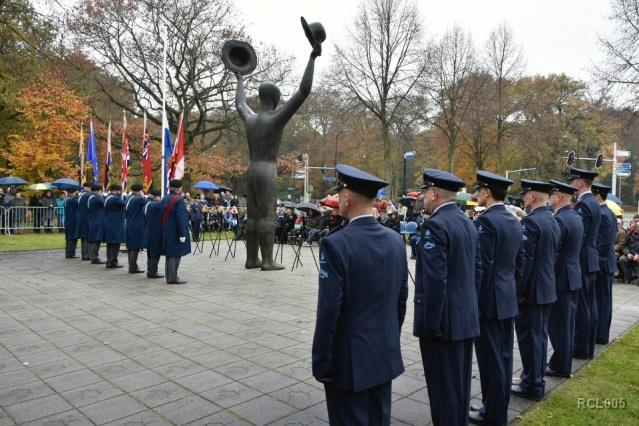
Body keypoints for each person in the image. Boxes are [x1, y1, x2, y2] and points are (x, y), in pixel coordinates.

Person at [312, 164, 408, 424]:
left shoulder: (336, 244)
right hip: (383, 352)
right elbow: (401, 300)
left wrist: (321, 360)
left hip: (349, 361)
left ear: (346, 197)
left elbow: (329, 310)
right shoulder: (395, 241)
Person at [234, 36, 320, 271]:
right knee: (266, 215)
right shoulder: (276, 119)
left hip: (251, 169)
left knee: (251, 215)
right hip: (266, 169)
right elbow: (303, 91)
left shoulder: (250, 119)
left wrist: (240, 78)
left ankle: (252, 259)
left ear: (260, 98)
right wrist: (312, 58)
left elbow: (240, 103)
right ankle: (268, 260)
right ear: (274, 100)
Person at [414, 169, 480, 426]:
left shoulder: (435, 225)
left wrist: (431, 323)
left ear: (434, 193)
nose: (423, 199)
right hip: (464, 315)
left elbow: (434, 280)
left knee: (442, 387)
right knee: (458, 385)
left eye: (424, 193)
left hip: (442, 321)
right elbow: (476, 271)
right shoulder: (467, 223)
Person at [468, 171, 522, 426]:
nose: (476, 194)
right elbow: (519, 262)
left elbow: (483, 267)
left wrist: (475, 302)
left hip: (489, 301)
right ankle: (497, 406)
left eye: (478, 190)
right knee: (503, 357)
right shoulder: (512, 219)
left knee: (491, 360)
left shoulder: (486, 222)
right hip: (506, 295)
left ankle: (493, 413)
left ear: (488, 192)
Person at [512, 180, 560, 401]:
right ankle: (535, 379)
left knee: (530, 340)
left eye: (525, 195)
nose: (523, 199)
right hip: (547, 287)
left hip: (531, 292)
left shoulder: (531, 223)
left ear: (532, 197)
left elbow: (525, 263)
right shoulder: (551, 220)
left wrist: (518, 292)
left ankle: (531, 384)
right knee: (539, 338)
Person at [546, 180, 583, 379]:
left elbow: (554, 251)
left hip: (561, 277)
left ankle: (560, 366)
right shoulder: (574, 216)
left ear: (559, 196)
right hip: (572, 275)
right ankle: (562, 363)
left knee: (559, 325)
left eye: (551, 194)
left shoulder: (560, 219)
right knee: (566, 324)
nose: (549, 198)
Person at [569, 167, 600, 359]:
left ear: (580, 183)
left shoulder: (584, 204)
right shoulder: (593, 202)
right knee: (588, 305)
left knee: (581, 307)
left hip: (582, 259)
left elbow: (578, 233)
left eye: (573, 181)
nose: (571, 184)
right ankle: (586, 347)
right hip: (590, 258)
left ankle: (580, 348)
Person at [591, 183, 617, 345]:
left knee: (601, 301)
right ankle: (600, 334)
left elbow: (604, 243)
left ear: (598, 196)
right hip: (607, 262)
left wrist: (598, 263)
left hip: (603, 264)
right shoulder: (609, 213)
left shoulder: (602, 214)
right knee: (603, 300)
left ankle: (600, 335)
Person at [161, 179, 191, 284]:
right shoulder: (178, 200)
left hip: (167, 229)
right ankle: (173, 277)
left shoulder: (164, 198)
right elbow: (180, 218)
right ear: (179, 188)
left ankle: (169, 276)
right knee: (175, 254)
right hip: (176, 231)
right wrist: (182, 234)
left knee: (170, 254)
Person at [125, 183, 148, 273]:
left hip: (129, 224)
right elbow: (147, 206)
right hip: (137, 225)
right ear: (140, 191)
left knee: (131, 247)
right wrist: (143, 197)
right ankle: (133, 267)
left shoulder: (129, 198)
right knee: (135, 247)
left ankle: (132, 266)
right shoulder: (139, 199)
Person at [103, 184, 126, 268]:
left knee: (110, 243)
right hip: (116, 223)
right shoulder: (115, 199)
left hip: (110, 222)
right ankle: (112, 262)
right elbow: (125, 204)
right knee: (115, 243)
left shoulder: (108, 197)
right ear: (117, 190)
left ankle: (109, 260)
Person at [144, 189, 164, 279]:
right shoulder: (155, 204)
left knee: (150, 252)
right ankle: (152, 272)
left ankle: (150, 270)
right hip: (156, 230)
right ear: (157, 196)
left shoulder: (147, 203)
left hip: (148, 229)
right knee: (155, 252)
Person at [87, 184, 106, 264]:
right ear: (97, 191)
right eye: (100, 191)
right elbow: (105, 203)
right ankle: (95, 257)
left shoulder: (90, 197)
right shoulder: (97, 198)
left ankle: (92, 256)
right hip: (97, 221)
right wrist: (102, 196)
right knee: (96, 239)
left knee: (92, 239)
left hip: (93, 220)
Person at [618, 215, 639, 283]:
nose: (637, 228)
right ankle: (627, 276)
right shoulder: (630, 234)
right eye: (637, 227)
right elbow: (624, 246)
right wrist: (628, 253)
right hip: (630, 253)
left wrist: (637, 254)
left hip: (637, 254)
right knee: (622, 259)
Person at [76, 182, 93, 261]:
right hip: (87, 218)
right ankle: (87, 255)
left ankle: (84, 254)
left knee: (84, 237)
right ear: (89, 188)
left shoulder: (81, 194)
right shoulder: (88, 195)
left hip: (81, 218)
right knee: (87, 237)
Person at [63, 190, 80, 258]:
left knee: (68, 238)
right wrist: (77, 197)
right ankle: (71, 253)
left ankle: (68, 253)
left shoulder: (66, 199)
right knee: (72, 238)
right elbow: (78, 203)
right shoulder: (72, 199)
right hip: (73, 221)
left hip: (68, 220)